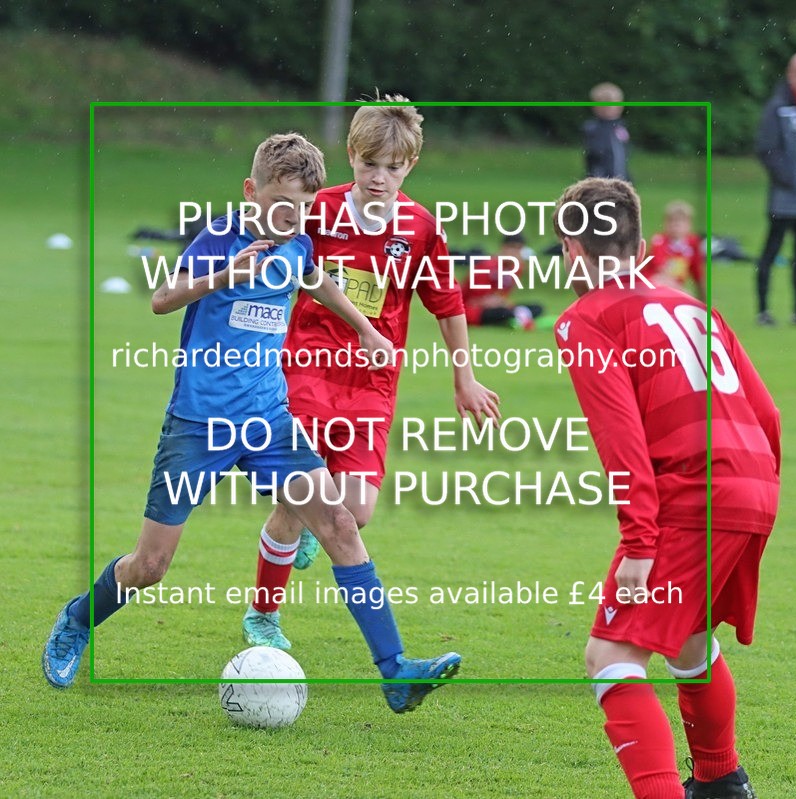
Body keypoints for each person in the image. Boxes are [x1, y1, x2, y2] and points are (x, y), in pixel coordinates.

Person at [42, 132, 461, 713]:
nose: (294, 217)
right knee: (151, 566)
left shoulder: (297, 243)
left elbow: (316, 278)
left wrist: (367, 331)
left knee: (341, 524)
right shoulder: (220, 236)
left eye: (305, 207)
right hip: (198, 425)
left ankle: (395, 672)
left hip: (268, 421)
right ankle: (78, 619)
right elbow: (163, 300)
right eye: (282, 204)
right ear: (251, 191)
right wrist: (224, 277)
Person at [242, 97, 500, 650]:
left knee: (356, 511)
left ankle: (315, 532)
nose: (379, 178)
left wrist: (464, 377)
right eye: (369, 165)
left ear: (410, 166)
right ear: (351, 158)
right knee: (299, 500)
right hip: (306, 369)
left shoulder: (422, 229)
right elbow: (266, 245)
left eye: (393, 167)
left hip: (373, 387)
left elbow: (447, 306)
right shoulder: (320, 210)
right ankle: (263, 614)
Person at [553, 178, 779, 798]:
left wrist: (640, 544)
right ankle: (721, 782)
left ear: (574, 249)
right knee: (690, 641)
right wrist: (755, 493)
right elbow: (770, 418)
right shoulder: (693, 305)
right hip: (753, 487)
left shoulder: (586, 320)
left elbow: (620, 444)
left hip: (694, 499)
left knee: (611, 658)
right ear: (633, 234)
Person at [754, 51, 796, 326]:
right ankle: (763, 310)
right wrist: (791, 180)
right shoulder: (776, 108)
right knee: (771, 252)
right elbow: (767, 149)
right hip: (783, 199)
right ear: (791, 74)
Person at [460, 234, 544, 329]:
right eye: (512, 248)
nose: (515, 252)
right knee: (503, 313)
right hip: (474, 310)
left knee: (537, 307)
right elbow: (475, 301)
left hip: (499, 305)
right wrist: (499, 302)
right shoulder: (486, 266)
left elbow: (503, 295)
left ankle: (516, 318)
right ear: (503, 248)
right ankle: (518, 318)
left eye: (519, 249)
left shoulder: (517, 268)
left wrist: (502, 302)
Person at [646, 201, 706, 303]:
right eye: (672, 221)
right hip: (651, 285)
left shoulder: (693, 243)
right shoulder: (659, 241)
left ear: (689, 224)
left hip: (673, 289)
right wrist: (683, 293)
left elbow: (698, 276)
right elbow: (661, 272)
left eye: (680, 222)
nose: (676, 225)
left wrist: (703, 303)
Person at [583, 82, 631, 181]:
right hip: (600, 177)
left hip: (620, 176)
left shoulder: (620, 127)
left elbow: (624, 153)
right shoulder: (593, 127)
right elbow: (595, 152)